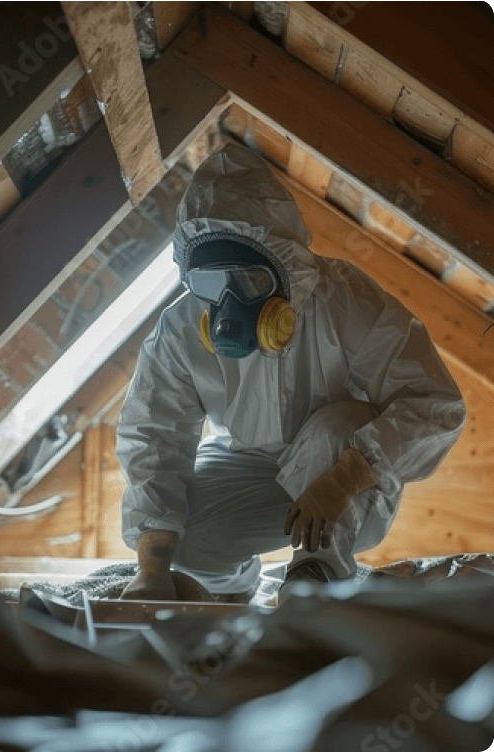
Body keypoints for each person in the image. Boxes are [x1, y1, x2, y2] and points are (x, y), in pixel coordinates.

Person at [116, 141, 466, 603]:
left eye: (249, 280)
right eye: (210, 282)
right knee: (184, 539)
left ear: (282, 267)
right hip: (250, 466)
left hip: (344, 472)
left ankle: (314, 581)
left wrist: (347, 477)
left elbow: (436, 406)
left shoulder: (346, 303)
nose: (228, 303)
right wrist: (152, 564)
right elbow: (153, 435)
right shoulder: (180, 330)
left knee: (334, 426)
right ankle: (226, 591)